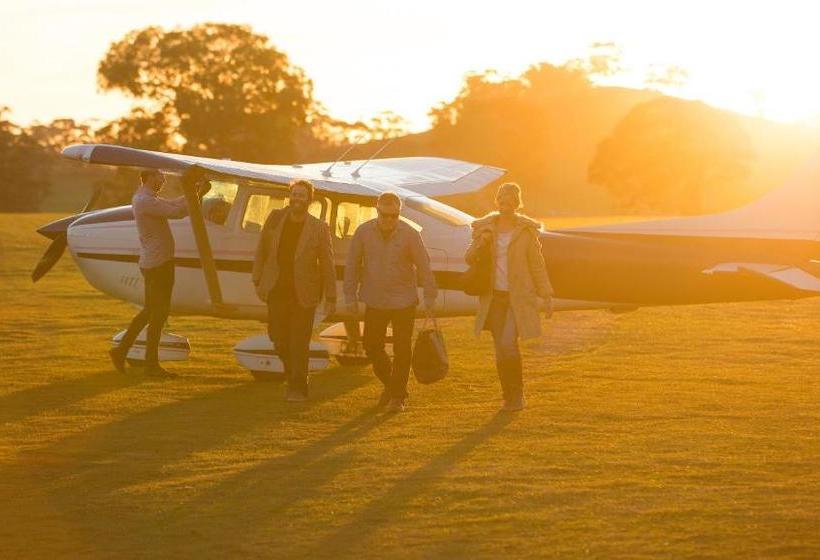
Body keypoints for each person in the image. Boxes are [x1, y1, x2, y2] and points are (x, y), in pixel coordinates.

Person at [344, 192, 437, 412]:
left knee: (402, 349)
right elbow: (352, 264)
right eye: (384, 215)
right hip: (374, 299)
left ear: (399, 213)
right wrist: (350, 296)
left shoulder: (411, 234)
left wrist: (430, 296)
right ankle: (394, 386)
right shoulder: (363, 232)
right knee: (371, 347)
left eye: (393, 216)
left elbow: (424, 265)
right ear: (377, 211)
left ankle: (397, 398)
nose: (388, 220)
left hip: (404, 300)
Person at [108, 168, 207, 377]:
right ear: (150, 177)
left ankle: (121, 351)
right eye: (160, 176)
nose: (163, 179)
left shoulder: (148, 198)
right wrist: (197, 193)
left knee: (149, 312)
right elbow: (177, 212)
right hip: (159, 263)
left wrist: (196, 192)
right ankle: (150, 365)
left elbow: (173, 204)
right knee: (158, 314)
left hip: (154, 261)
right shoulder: (145, 200)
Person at [464, 182, 554, 412]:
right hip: (494, 298)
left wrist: (546, 294)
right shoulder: (486, 228)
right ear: (497, 202)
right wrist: (482, 242)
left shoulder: (525, 231)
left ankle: (517, 394)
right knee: (500, 349)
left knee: (508, 344)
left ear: (517, 203)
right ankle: (508, 395)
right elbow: (469, 258)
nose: (505, 206)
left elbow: (537, 265)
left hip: (518, 297)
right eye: (502, 201)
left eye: (510, 201)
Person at [253, 180, 336, 402]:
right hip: (276, 289)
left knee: (299, 342)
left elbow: (327, 263)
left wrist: (331, 296)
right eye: (294, 194)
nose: (297, 198)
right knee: (278, 339)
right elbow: (262, 249)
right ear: (290, 196)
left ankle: (298, 386)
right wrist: (257, 278)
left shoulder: (319, 227)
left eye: (302, 195)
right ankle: (293, 374)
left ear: (309, 200)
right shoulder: (275, 219)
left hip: (304, 293)